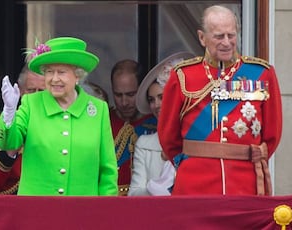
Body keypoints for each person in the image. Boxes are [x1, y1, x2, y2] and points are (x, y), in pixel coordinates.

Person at [158, 5, 282, 196]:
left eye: (231, 35)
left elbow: (272, 134)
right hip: (195, 184)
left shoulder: (261, 74)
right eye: (219, 36)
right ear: (202, 38)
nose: (227, 42)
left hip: (245, 184)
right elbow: (168, 137)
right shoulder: (183, 75)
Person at [0, 37, 118, 196]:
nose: (54, 79)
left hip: (83, 212)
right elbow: (9, 143)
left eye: (62, 72)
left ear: (77, 75)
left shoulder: (98, 110)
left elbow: (108, 169)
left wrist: (104, 211)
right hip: (36, 211)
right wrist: (9, 113)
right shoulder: (31, 103)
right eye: (49, 72)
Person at [128, 52, 194, 196]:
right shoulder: (145, 143)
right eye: (151, 100)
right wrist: (158, 191)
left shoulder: (198, 141)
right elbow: (134, 194)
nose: (156, 105)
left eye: (161, 97)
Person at [0, 64, 45, 194]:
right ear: (21, 92)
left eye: (41, 91)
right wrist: (9, 152)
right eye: (31, 91)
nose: (36, 97)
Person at [109, 59, 157, 195]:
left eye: (130, 94)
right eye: (118, 95)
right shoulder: (104, 121)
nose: (124, 102)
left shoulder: (156, 124)